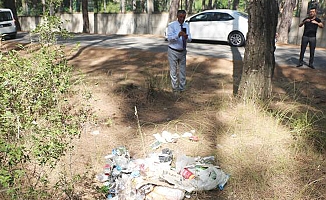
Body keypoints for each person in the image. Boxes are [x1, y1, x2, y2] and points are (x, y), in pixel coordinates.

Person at [167, 10, 192, 93]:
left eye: (184, 17)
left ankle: (182, 88)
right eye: (181, 17)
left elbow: (190, 39)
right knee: (173, 71)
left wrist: (187, 37)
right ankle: (175, 89)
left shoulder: (186, 25)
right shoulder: (172, 25)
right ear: (177, 16)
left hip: (183, 51)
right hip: (173, 51)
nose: (182, 19)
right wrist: (178, 35)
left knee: (182, 71)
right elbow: (169, 38)